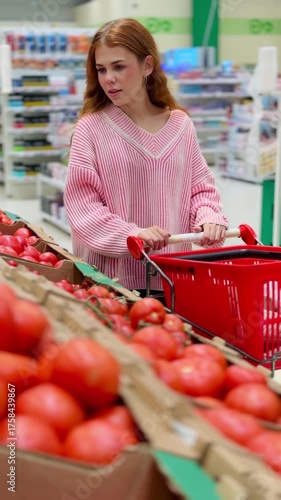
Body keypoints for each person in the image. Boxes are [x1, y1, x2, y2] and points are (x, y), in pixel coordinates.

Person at [64, 18, 228, 293]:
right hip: (111, 282)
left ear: (147, 66)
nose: (108, 79)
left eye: (119, 67)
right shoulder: (90, 129)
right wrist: (132, 235)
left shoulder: (180, 125)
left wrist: (208, 216)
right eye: (101, 69)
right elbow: (83, 208)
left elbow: (200, 189)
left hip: (172, 275)